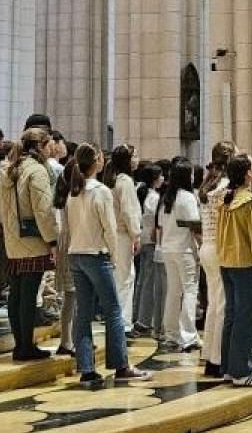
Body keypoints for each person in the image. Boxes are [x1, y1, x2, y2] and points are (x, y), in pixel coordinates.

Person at [62, 143, 151, 388]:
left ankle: (87, 369)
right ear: (97, 161)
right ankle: (122, 365)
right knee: (113, 310)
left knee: (83, 314)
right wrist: (113, 255)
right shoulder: (99, 190)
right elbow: (109, 229)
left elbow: (69, 228)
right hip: (96, 255)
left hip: (77, 254)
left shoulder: (74, 191)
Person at [0, 128, 60, 360]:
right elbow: (43, 211)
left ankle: (19, 343)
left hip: (13, 238)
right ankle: (26, 346)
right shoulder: (36, 171)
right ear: (40, 146)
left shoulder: (10, 168)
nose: (52, 148)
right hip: (33, 238)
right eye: (50, 144)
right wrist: (53, 239)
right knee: (29, 294)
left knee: (17, 293)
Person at [216, 153, 252, 387]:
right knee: (246, 319)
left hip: (227, 263)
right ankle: (241, 371)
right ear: (248, 174)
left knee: (232, 316)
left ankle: (229, 367)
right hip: (246, 265)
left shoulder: (226, 199)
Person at [197, 141, 235, 375]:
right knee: (222, 304)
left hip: (207, 247)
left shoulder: (208, 183)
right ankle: (218, 359)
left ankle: (209, 353)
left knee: (214, 302)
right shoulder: (225, 186)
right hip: (220, 247)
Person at [159, 160, 202, 352]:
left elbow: (160, 224)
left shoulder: (167, 197)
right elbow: (194, 224)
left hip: (168, 248)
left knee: (174, 292)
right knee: (190, 291)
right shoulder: (187, 196)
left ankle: (171, 334)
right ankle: (189, 335)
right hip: (184, 249)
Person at [103, 145, 141, 330]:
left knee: (122, 277)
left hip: (115, 233)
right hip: (123, 235)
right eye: (135, 156)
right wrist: (136, 235)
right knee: (125, 279)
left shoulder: (114, 179)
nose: (137, 159)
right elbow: (129, 211)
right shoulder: (124, 181)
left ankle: (119, 321)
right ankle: (123, 324)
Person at [132, 163, 164, 337]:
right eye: (160, 176)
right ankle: (144, 320)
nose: (163, 179)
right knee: (148, 282)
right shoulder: (153, 196)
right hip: (150, 240)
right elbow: (154, 219)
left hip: (141, 238)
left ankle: (137, 315)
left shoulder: (140, 191)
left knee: (141, 279)